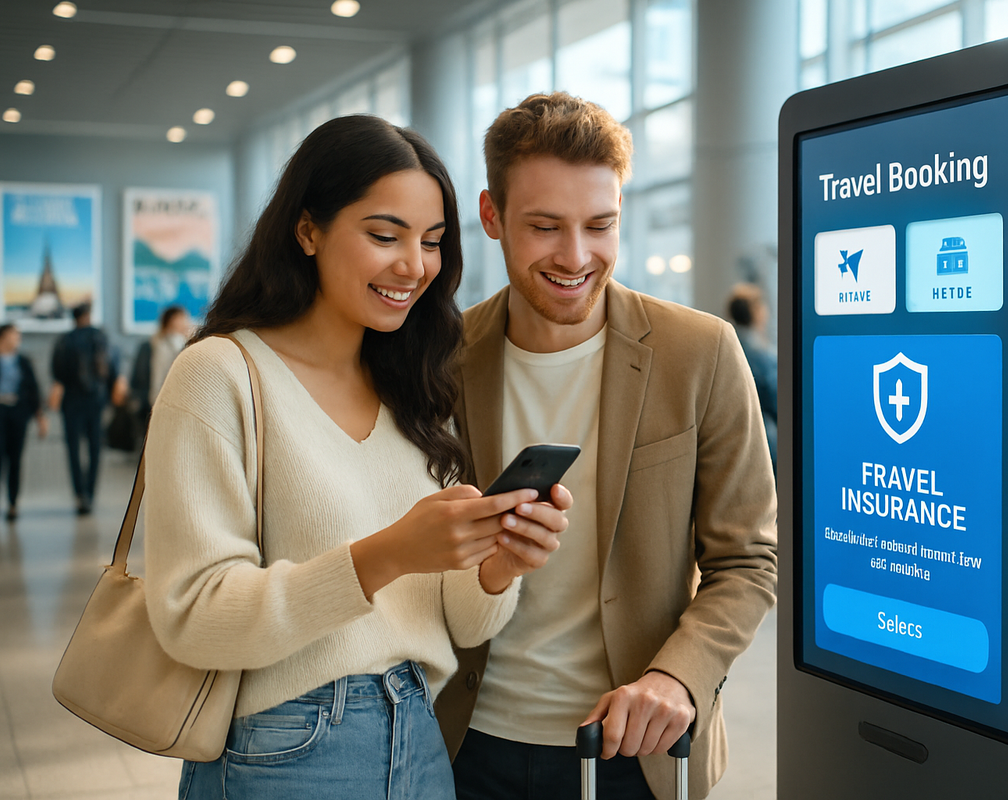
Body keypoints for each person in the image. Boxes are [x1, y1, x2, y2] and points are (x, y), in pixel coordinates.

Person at [141, 115, 572, 799]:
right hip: (284, 749)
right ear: (307, 229)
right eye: (384, 235)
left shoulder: (417, 387)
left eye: (432, 242)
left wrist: (499, 565)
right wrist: (389, 553)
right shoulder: (220, 375)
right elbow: (193, 618)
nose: (414, 265)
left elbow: (462, 622)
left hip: (422, 738)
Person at [437, 93, 778, 800]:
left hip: (635, 748)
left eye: (601, 224)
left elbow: (748, 558)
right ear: (492, 217)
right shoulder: (440, 361)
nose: (576, 256)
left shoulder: (700, 352)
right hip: (463, 742)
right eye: (545, 227)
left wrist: (677, 674)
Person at [49, 302, 120, 514]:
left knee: (73, 449)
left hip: (71, 401)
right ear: (88, 315)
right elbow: (112, 367)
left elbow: (57, 371)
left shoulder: (65, 340)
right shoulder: (101, 337)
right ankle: (90, 493)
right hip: (96, 400)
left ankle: (80, 494)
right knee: (95, 448)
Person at [0, 324, 48, 519]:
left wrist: (40, 417)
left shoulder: (23, 361)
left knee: (15, 459)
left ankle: (13, 502)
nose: (18, 339)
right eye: (14, 335)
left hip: (18, 413)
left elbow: (33, 389)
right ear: (2, 337)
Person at [727, 283, 778, 475]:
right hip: (763, 443)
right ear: (755, 311)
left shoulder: (726, 345)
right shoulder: (761, 354)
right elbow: (777, 402)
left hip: (732, 443)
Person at [130, 304, 191, 426]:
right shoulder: (165, 345)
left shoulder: (164, 343)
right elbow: (157, 378)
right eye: (183, 319)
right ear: (172, 321)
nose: (186, 323)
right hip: (159, 403)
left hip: (160, 403)